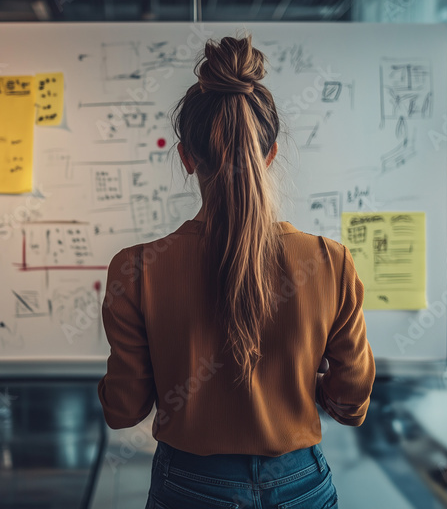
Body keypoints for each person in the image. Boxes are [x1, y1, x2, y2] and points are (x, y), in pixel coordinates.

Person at [98, 35, 375, 509]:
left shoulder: (136, 269)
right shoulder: (331, 262)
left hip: (190, 483)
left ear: (186, 158)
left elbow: (123, 411)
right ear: (268, 155)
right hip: (301, 483)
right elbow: (352, 403)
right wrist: (307, 380)